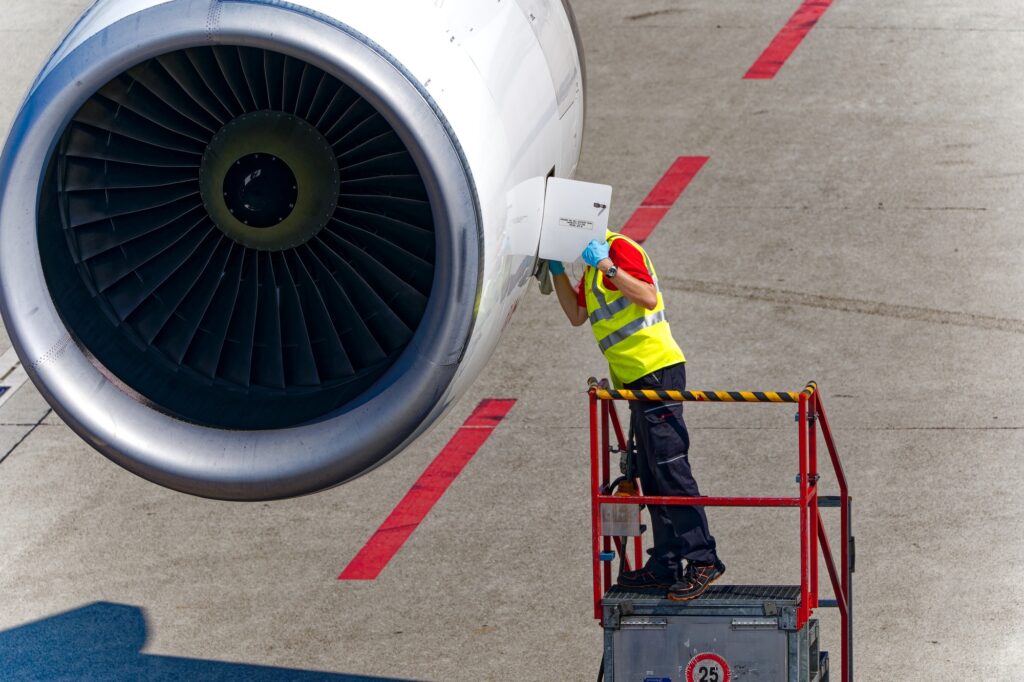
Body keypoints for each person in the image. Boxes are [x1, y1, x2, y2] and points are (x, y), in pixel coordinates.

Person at [548, 231, 725, 601]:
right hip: (634, 383)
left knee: (670, 467)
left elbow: (647, 297)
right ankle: (666, 563)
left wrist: (607, 265)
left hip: (657, 372)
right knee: (650, 473)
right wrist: (555, 271)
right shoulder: (593, 272)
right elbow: (576, 315)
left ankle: (703, 559)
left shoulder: (616, 251)